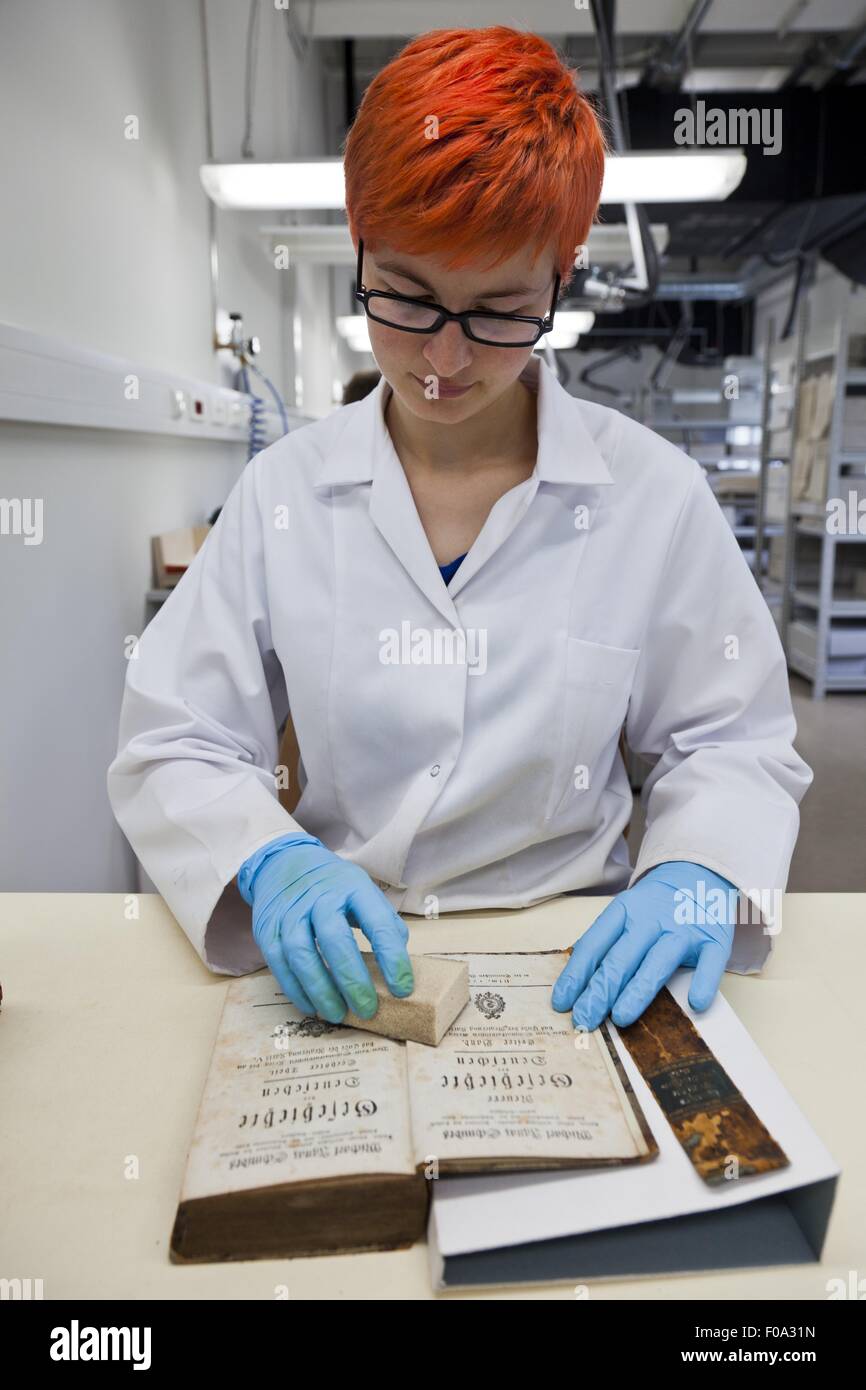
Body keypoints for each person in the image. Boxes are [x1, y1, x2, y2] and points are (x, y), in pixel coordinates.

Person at [107, 26, 812, 1033]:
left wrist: (695, 868)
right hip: (345, 956)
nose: (442, 355)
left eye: (496, 310)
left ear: (559, 281)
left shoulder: (649, 495)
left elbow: (733, 738)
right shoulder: (284, 493)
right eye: (405, 295)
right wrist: (268, 859)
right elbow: (173, 735)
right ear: (359, 245)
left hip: (579, 956)